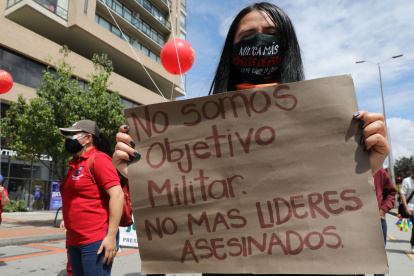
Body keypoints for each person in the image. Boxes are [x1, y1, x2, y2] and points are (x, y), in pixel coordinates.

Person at [112, 2, 389, 276]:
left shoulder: (325, 119)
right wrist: (142, 175)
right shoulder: (201, 131)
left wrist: (364, 168)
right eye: (247, 36)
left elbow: (328, 204)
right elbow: (187, 210)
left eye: (271, 33)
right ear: (231, 50)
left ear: (287, 45)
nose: (260, 40)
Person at [59, 119, 124, 276]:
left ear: (88, 138)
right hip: (74, 240)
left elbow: (117, 194)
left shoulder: (99, 159)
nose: (69, 139)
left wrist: (111, 236)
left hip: (96, 241)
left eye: (73, 134)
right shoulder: (75, 163)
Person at [373, 168, 396, 276]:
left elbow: (391, 193)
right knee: (356, 262)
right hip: (354, 222)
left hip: (377, 220)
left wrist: (383, 210)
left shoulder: (379, 171)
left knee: (378, 259)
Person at [401, 167, 414, 254]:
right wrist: (406, 207)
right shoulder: (406, 181)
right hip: (410, 207)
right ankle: (413, 245)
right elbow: (402, 194)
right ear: (412, 172)